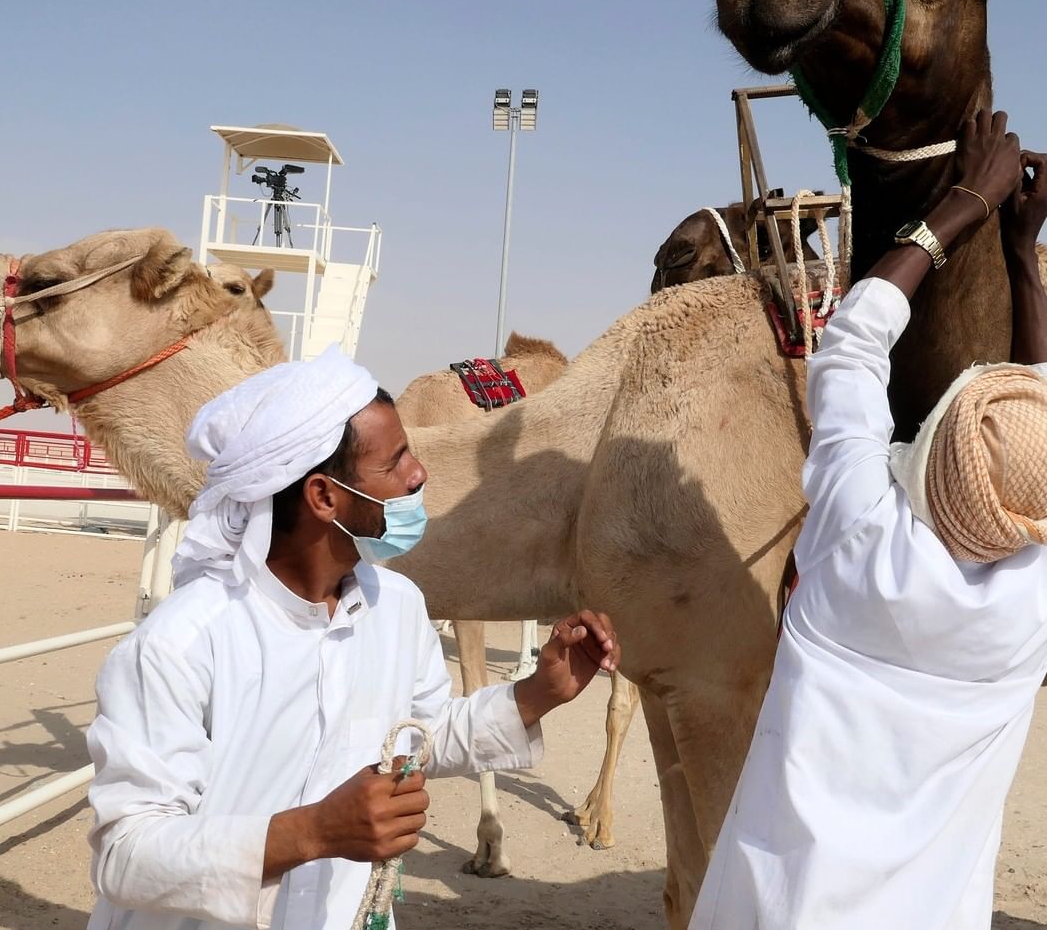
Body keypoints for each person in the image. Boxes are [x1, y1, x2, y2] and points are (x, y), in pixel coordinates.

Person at [85, 348, 620, 930]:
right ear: (323, 497)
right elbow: (125, 854)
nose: (419, 474)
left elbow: (422, 735)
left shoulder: (397, 606)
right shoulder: (181, 643)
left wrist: (538, 693)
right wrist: (311, 832)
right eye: (394, 462)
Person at [690, 112, 1047, 930]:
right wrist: (1023, 254)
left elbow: (850, 338)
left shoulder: (857, 537)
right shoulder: (1031, 609)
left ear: (934, 452)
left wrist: (963, 206)